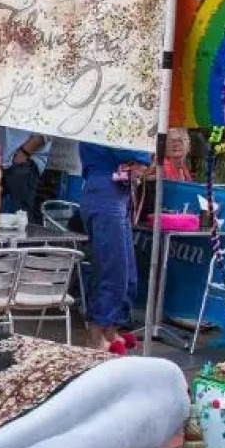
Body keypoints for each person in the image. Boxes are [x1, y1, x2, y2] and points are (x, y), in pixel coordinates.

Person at [80, 140, 153, 353]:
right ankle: (95, 335)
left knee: (127, 269)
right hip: (105, 191)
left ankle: (110, 329)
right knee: (112, 269)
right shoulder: (104, 116)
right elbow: (121, 141)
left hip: (118, 192)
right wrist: (142, 158)